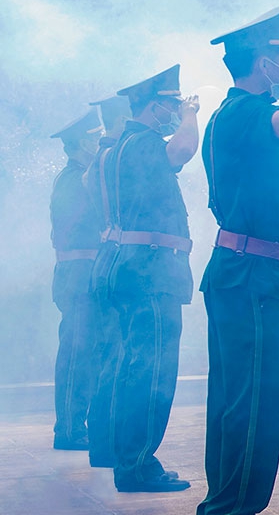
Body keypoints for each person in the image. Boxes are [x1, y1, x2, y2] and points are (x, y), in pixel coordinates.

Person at [197, 5, 279, 515]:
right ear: (263, 62)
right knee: (252, 404)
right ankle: (230, 508)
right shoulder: (244, 111)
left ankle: (226, 503)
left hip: (245, 274)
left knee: (236, 401)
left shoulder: (231, 114)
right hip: (251, 277)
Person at [93, 64, 200, 492]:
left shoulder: (116, 146)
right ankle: (136, 465)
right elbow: (182, 151)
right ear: (156, 108)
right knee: (149, 370)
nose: (176, 112)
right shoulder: (143, 143)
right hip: (149, 270)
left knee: (130, 365)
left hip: (126, 265)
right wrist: (192, 114)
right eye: (172, 105)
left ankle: (124, 457)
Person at [48, 107, 104, 452]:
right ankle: (68, 430)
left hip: (83, 274)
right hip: (78, 275)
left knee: (87, 351)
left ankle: (75, 425)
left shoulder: (79, 177)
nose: (100, 144)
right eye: (96, 139)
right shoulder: (74, 181)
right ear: (82, 143)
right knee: (77, 352)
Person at [83, 93, 132, 469]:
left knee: (109, 357)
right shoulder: (116, 158)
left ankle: (101, 445)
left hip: (106, 259)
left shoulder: (97, 161)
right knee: (118, 358)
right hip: (120, 260)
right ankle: (109, 446)